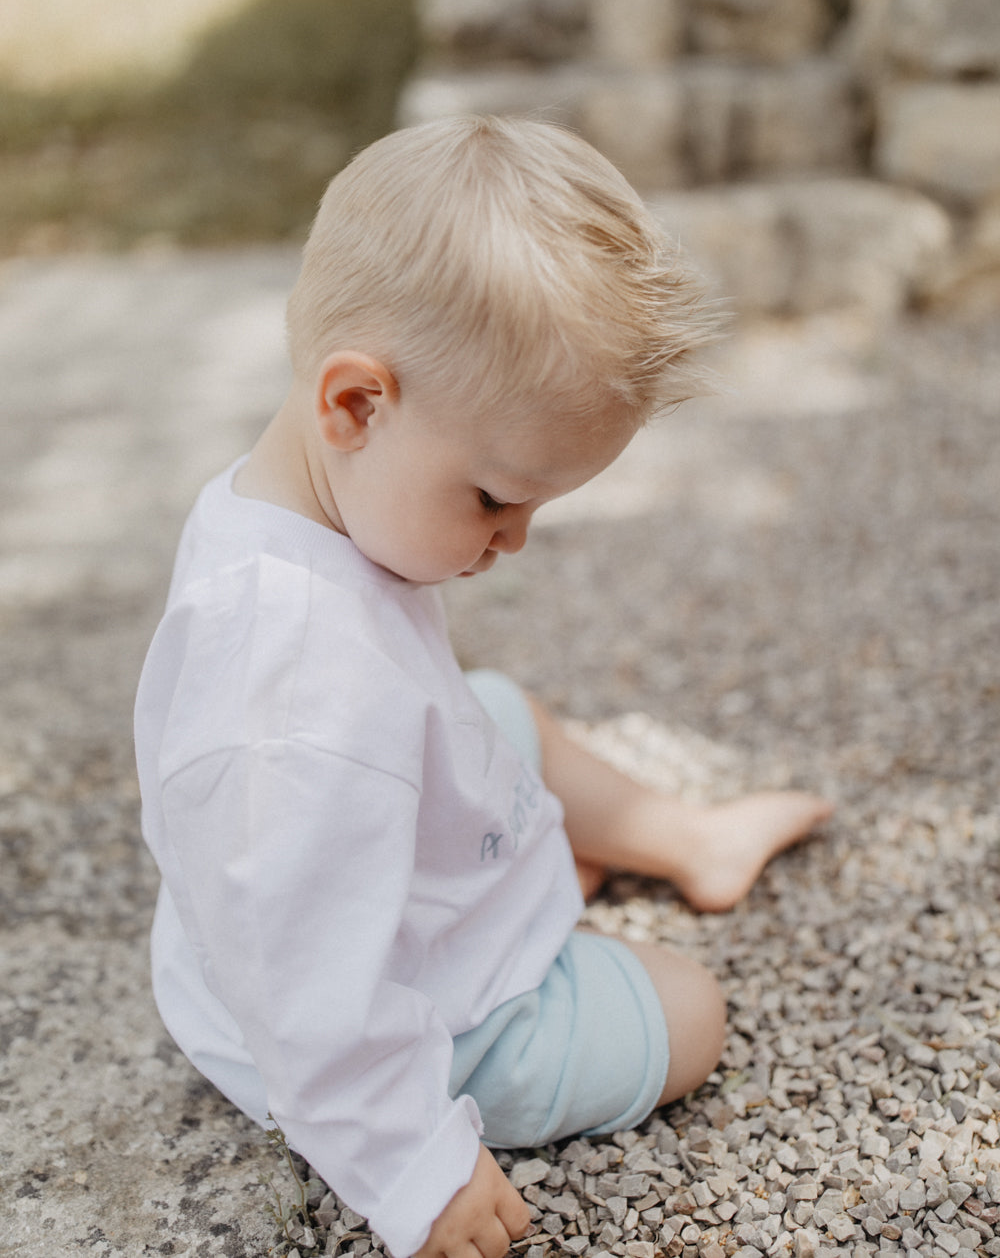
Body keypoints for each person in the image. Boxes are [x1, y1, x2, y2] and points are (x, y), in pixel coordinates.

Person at [135, 116, 832, 1258]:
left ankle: (681, 839)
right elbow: (310, 985)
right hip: (365, 1015)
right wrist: (414, 1165)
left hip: (341, 864)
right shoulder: (293, 700)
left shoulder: (296, 505)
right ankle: (566, 889)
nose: (514, 541)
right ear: (354, 406)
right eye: (497, 499)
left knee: (506, 708)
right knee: (688, 1010)